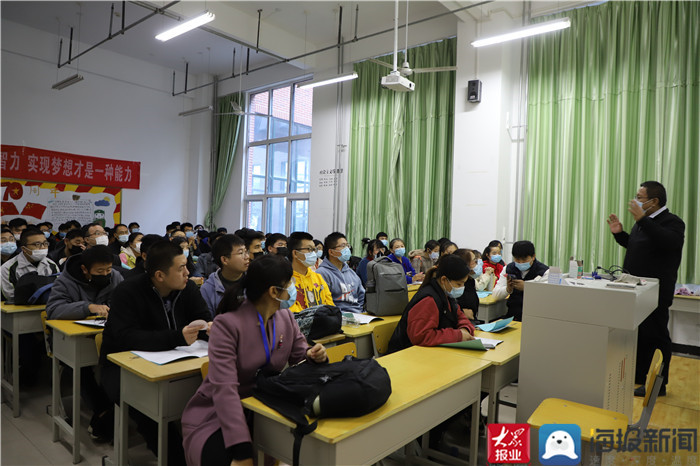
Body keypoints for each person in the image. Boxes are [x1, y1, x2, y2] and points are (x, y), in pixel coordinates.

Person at [181, 255, 327, 466]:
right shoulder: (228, 325)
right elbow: (225, 389)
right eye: (290, 284)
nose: (293, 288)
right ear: (274, 292)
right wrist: (240, 451)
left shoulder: (285, 316)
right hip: (219, 414)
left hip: (265, 406)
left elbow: (299, 354)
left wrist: (313, 354)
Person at [100, 241, 213, 464]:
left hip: (179, 362)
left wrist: (211, 330)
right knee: (150, 414)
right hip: (124, 369)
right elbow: (126, 337)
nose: (187, 272)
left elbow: (202, 317)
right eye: (181, 268)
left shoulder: (187, 287)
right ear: (160, 275)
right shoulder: (128, 291)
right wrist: (177, 337)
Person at [608, 181, 684, 397]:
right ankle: (641, 376)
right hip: (636, 289)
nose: (636, 201)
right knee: (641, 335)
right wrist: (619, 234)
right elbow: (637, 246)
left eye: (640, 197)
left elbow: (668, 242)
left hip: (657, 292)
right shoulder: (644, 222)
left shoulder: (672, 222)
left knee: (657, 336)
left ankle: (659, 385)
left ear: (654, 201)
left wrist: (642, 221)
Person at [45, 245, 122, 441]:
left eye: (108, 270)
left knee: (114, 364)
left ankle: (113, 409)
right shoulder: (65, 280)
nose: (105, 274)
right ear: (85, 269)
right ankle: (102, 409)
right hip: (69, 338)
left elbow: (125, 301)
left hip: (106, 335)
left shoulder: (115, 277)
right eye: (99, 271)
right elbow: (53, 309)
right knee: (80, 369)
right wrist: (87, 307)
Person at [388, 254, 475, 353]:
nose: (462, 287)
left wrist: (465, 329)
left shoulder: (447, 295)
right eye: (459, 284)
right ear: (444, 280)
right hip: (407, 355)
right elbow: (421, 336)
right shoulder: (428, 299)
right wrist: (458, 335)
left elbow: (460, 316)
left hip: (432, 352)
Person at [492, 240, 549, 321]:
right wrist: (508, 290)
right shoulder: (508, 269)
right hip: (512, 317)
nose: (521, 262)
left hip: (536, 318)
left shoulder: (545, 272)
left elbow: (547, 298)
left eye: (524, 259)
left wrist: (527, 287)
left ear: (533, 256)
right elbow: (495, 295)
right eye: (517, 259)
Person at [1, 228, 59, 300]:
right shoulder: (8, 268)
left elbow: (57, 290)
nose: (43, 247)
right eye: (37, 244)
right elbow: (10, 296)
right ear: (24, 249)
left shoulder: (51, 264)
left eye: (45, 243)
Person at [200, 235, 250, 318]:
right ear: (224, 260)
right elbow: (209, 322)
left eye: (246, 252)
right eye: (241, 253)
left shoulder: (255, 281)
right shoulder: (207, 289)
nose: (247, 257)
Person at [316, 232, 365, 314]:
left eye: (347, 245)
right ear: (331, 252)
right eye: (343, 246)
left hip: (358, 316)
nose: (347, 249)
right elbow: (324, 303)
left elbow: (361, 297)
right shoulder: (322, 273)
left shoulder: (351, 273)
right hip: (336, 317)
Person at [287, 232, 334, 313]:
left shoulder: (318, 278)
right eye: (309, 249)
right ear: (295, 253)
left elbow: (330, 305)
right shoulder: (285, 280)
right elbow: (291, 312)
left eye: (314, 250)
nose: (313, 253)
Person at [453, 249, 480, 320]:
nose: (477, 263)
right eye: (474, 261)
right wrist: (462, 312)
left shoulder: (470, 280)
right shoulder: (453, 284)